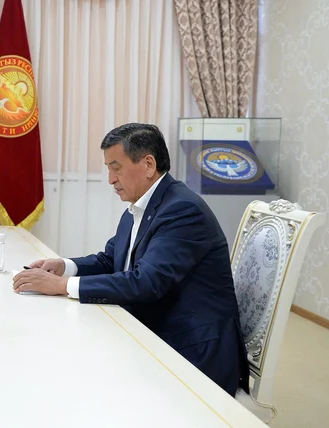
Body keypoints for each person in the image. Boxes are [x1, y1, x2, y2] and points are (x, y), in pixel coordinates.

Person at [13, 123, 249, 396]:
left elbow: (145, 282)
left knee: (78, 372)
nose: (110, 179)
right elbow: (111, 261)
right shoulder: (140, 207)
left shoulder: (182, 210)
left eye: (116, 168)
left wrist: (61, 286)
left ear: (148, 164)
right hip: (154, 329)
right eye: (108, 169)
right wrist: (65, 266)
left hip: (191, 352)